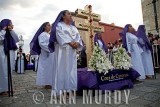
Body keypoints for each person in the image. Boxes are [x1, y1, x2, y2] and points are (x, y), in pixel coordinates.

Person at [48, 10, 83, 97]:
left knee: (71, 70)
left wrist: (77, 43)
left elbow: (78, 36)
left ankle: (70, 89)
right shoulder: (59, 25)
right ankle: (61, 91)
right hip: (63, 50)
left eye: (71, 14)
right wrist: (70, 43)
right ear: (63, 16)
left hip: (72, 51)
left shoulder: (73, 27)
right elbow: (60, 35)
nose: (71, 16)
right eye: (68, 14)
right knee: (63, 69)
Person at [30, 22, 54, 89]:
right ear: (44, 27)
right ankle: (47, 83)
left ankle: (49, 82)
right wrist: (50, 49)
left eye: (50, 25)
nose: (50, 26)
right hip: (46, 54)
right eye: (48, 25)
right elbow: (42, 44)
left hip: (50, 54)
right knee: (46, 68)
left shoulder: (47, 35)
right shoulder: (42, 34)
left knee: (49, 68)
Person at [0, 19, 19, 95]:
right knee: (3, 71)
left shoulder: (11, 32)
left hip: (10, 52)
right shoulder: (2, 32)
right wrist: (4, 30)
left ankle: (8, 87)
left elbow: (16, 39)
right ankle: (2, 89)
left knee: (9, 71)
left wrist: (11, 31)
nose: (12, 25)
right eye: (10, 23)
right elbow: (1, 39)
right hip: (2, 52)